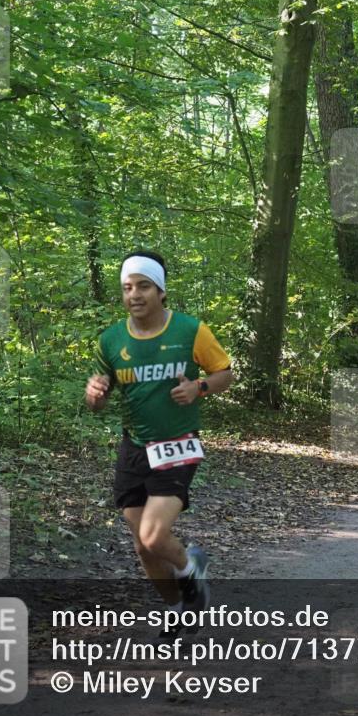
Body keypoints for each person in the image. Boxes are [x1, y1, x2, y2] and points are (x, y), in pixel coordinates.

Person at [85, 250, 234, 640]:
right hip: (134, 448)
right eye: (127, 288)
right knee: (144, 548)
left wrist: (199, 387)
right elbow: (97, 399)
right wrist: (95, 394)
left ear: (161, 291)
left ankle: (192, 570)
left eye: (143, 286)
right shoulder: (111, 340)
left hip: (178, 445)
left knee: (154, 535)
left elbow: (224, 373)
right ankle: (177, 609)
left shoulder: (190, 330)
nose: (134, 295)